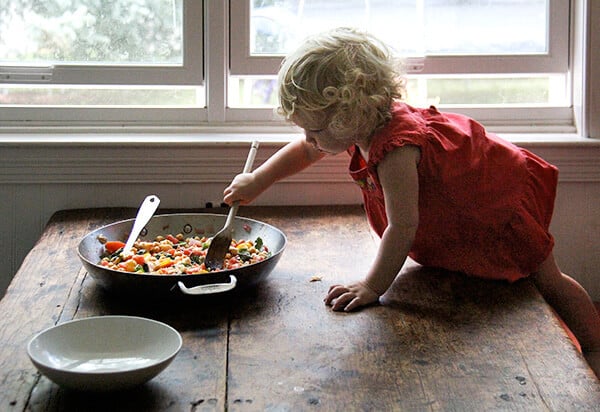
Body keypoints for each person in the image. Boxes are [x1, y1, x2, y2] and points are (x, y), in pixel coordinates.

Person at [222, 27, 600, 377]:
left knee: (548, 281)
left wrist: (372, 286)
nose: (309, 138)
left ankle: (596, 344)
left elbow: (403, 225)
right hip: (458, 214)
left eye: (315, 129)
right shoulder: (357, 123)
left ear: (348, 114)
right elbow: (306, 151)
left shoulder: (397, 150)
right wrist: (259, 179)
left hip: (495, 204)